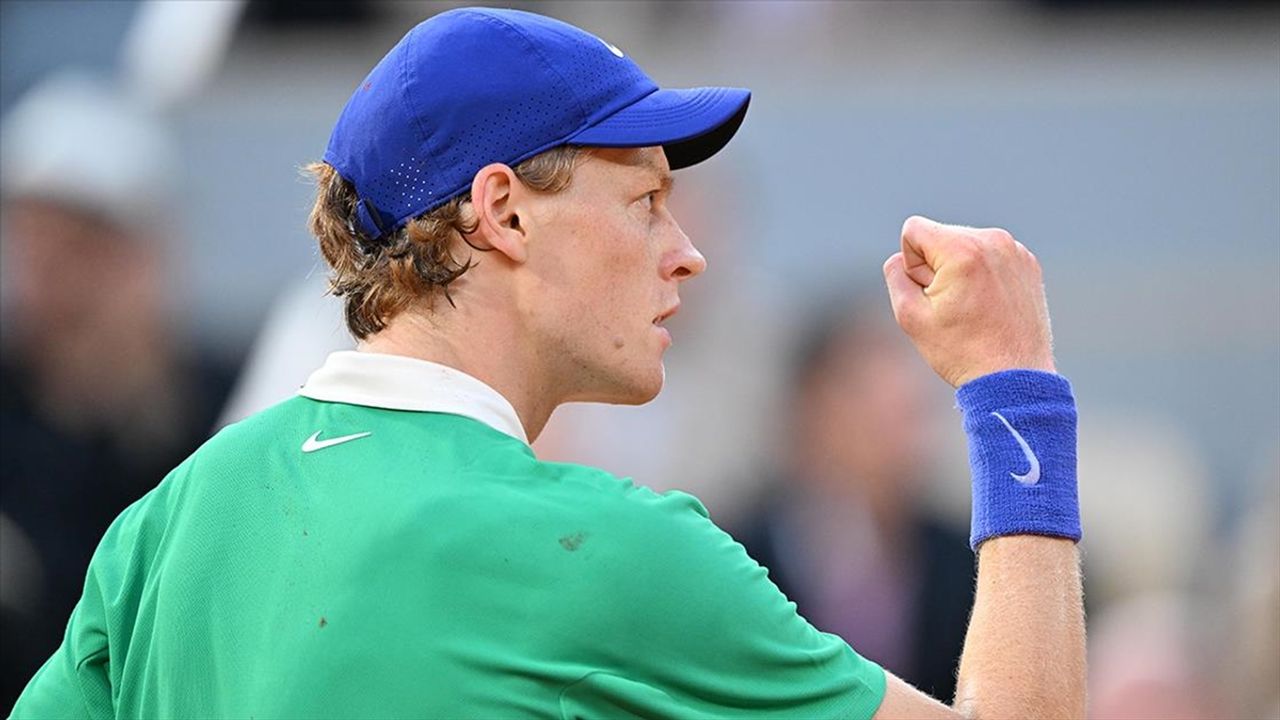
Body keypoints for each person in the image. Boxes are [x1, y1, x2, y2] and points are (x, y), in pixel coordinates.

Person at [11, 8, 1085, 719]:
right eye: (646, 200)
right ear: (504, 213)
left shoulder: (168, 520)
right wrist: (1014, 387)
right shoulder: (608, 550)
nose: (687, 252)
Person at [0, 73, 234, 711]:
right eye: (35, 248)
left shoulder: (229, 410)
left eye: (85, 249)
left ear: (152, 255)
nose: (58, 285)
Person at [733, 298, 973, 701]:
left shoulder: (964, 565)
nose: (900, 439)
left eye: (911, 413)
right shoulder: (736, 553)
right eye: (870, 407)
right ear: (812, 407)